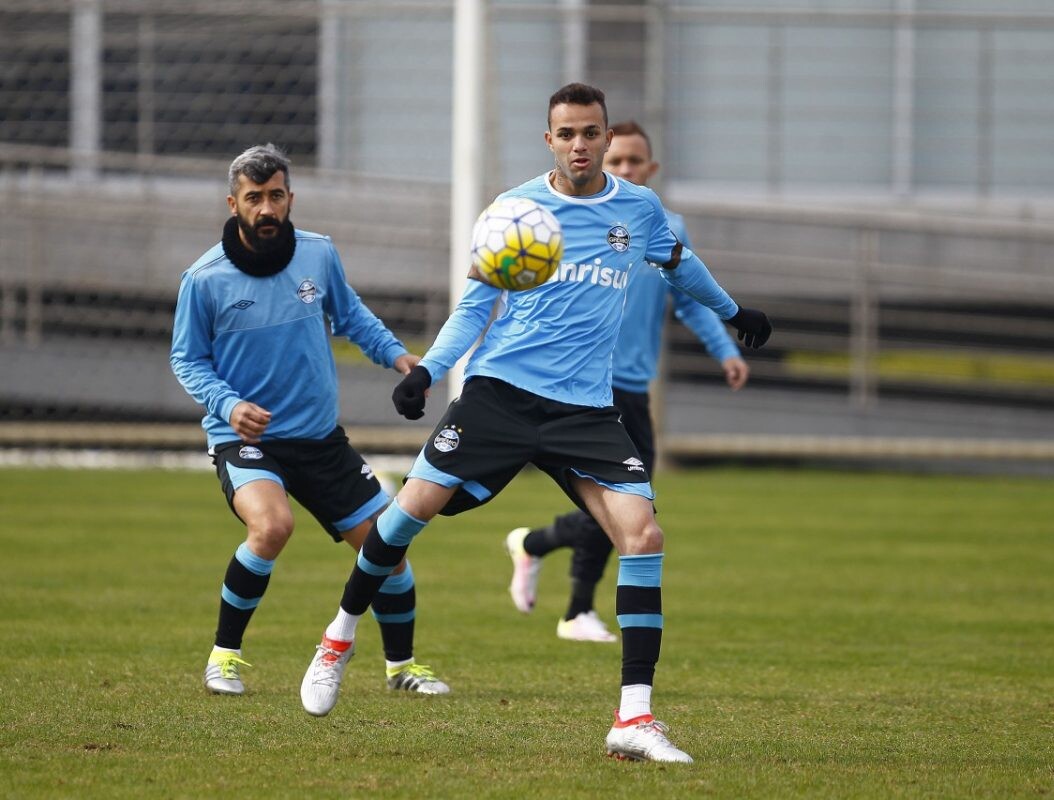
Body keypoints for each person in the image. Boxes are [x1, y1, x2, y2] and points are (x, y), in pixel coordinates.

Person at [298, 84, 771, 764]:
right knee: (406, 516)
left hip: (586, 407)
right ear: (548, 139)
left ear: (608, 139)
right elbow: (473, 308)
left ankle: (633, 719)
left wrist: (733, 311)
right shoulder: (513, 211)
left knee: (643, 535)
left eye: (591, 132)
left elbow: (679, 263)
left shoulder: (637, 209)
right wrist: (428, 372)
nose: (580, 144)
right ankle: (338, 638)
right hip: (502, 395)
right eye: (567, 133)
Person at [170, 143, 449, 699]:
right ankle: (223, 659)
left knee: (386, 547)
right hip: (246, 440)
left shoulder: (318, 255)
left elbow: (351, 317)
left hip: (320, 439)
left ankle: (401, 669)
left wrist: (401, 358)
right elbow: (186, 358)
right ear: (234, 203)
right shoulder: (204, 279)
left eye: (276, 196)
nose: (267, 208)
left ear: (290, 197)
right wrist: (229, 405)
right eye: (254, 199)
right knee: (271, 527)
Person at [504, 120, 750, 644]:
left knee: (633, 508)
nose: (623, 169)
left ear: (650, 169)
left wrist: (726, 348)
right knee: (616, 505)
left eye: (634, 163)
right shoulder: (568, 217)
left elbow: (688, 299)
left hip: (634, 387)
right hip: (583, 386)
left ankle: (536, 545)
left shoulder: (655, 221)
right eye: (617, 161)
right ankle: (576, 609)